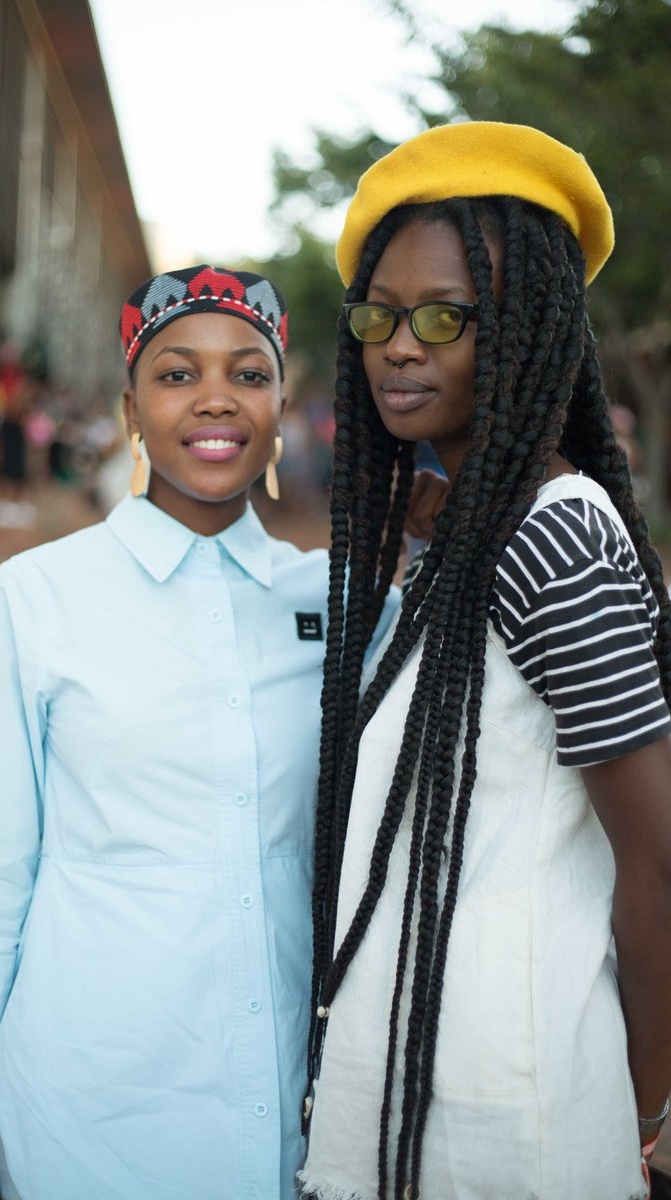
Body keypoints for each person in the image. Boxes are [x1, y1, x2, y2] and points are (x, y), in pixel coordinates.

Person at [0, 265, 442, 1200]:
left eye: (249, 373)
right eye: (177, 374)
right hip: (86, 1099)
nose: (216, 400)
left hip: (284, 1098)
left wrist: (453, 519)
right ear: (131, 408)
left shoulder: (340, 602)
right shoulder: (38, 599)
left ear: (282, 408)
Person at [299, 122, 671, 1200]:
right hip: (414, 1093)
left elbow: (655, 864)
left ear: (526, 335)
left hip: (516, 1118)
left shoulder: (551, 533)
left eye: (445, 317)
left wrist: (649, 1115)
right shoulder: (480, 527)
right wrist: (435, 514)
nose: (399, 346)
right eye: (379, 315)